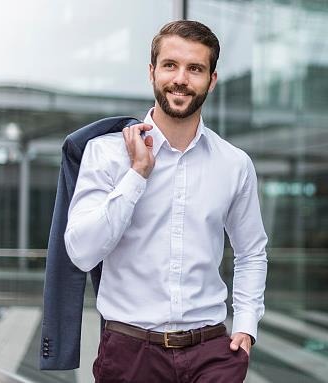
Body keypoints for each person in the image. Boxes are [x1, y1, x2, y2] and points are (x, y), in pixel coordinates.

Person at [64, 20, 268, 383]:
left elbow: (251, 251)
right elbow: (81, 252)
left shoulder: (234, 164)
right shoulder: (107, 155)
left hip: (211, 353)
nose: (181, 79)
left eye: (195, 69)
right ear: (152, 72)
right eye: (170, 65)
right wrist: (137, 175)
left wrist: (247, 325)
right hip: (130, 353)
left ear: (212, 80)